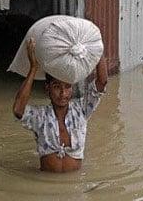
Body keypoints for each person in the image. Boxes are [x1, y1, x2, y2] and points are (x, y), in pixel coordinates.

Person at [13, 38, 108, 173]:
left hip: (74, 186)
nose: (63, 93)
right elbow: (18, 109)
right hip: (46, 186)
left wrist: (98, 47)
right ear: (47, 89)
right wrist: (33, 68)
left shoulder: (81, 110)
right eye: (57, 86)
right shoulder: (40, 117)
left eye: (67, 87)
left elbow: (102, 82)